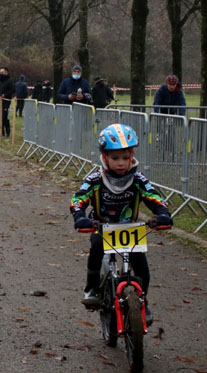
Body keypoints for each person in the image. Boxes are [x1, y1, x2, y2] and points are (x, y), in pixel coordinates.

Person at [70, 123, 172, 324]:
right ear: (105, 157)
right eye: (115, 158)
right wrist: (80, 217)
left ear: (132, 156)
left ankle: (143, 301)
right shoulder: (95, 179)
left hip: (130, 228)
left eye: (126, 158)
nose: (121, 163)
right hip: (101, 226)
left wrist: (163, 214)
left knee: (141, 266)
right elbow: (77, 199)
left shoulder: (138, 179)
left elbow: (154, 197)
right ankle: (91, 288)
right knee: (97, 249)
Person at [0, 67, 15, 136]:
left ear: (6, 72)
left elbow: (12, 90)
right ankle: (1, 131)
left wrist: (5, 95)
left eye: (2, 72)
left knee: (5, 117)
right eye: (0, 73)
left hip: (6, 101)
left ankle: (7, 131)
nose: (1, 74)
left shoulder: (10, 81)